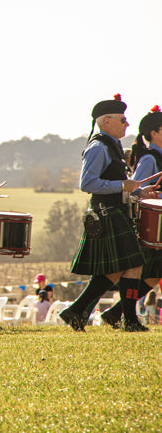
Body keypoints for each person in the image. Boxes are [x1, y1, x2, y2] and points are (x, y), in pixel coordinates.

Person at [60, 95, 154, 332]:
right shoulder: (98, 147)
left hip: (117, 210)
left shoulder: (111, 146)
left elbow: (118, 183)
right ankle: (115, 317)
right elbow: (87, 183)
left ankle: (119, 318)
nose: (127, 124)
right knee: (125, 266)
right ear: (106, 122)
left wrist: (140, 191)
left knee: (130, 266)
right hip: (105, 213)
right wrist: (123, 185)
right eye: (123, 120)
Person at [100, 105, 162, 328]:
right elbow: (136, 191)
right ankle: (107, 313)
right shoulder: (150, 159)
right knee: (147, 273)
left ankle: (114, 313)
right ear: (153, 133)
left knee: (153, 275)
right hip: (150, 227)